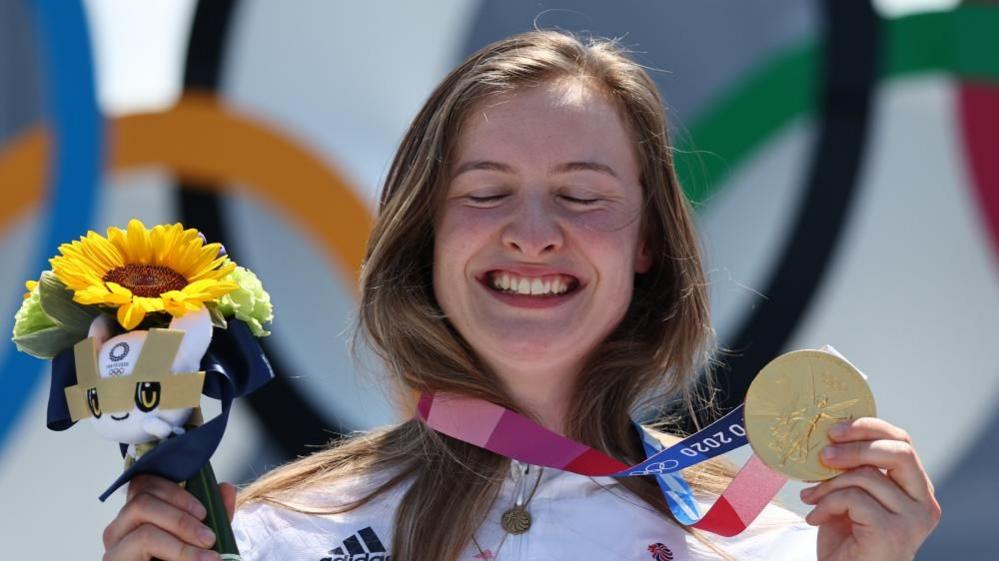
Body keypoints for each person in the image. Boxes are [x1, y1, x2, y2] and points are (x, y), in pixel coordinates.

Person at [101, 30, 940, 561]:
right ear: (425, 235)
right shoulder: (274, 537)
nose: (532, 233)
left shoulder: (775, 545)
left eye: (582, 196)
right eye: (484, 190)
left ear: (647, 242)